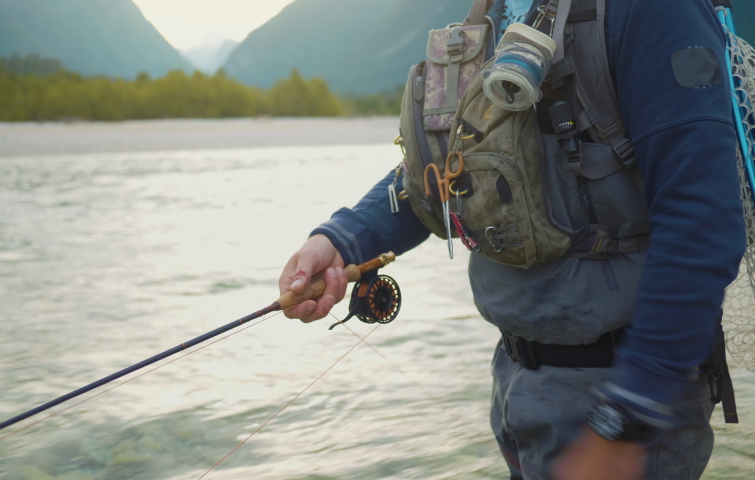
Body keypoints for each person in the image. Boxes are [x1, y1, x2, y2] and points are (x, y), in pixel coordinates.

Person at [278, 0, 746, 479]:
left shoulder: (656, 11)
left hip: (616, 409)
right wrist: (343, 241)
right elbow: (449, 169)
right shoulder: (498, 9)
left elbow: (702, 222)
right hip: (514, 386)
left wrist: (626, 418)